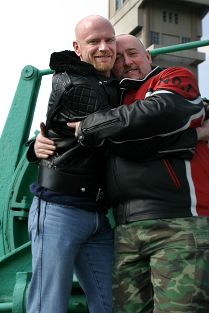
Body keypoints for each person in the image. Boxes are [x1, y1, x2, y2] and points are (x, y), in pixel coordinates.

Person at [33, 33, 209, 313]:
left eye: (134, 54)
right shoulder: (113, 99)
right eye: (119, 58)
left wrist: (90, 128)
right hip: (126, 229)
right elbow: (73, 132)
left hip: (181, 225)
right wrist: (36, 146)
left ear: (148, 56)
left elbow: (158, 114)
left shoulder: (174, 77)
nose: (127, 62)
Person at [26, 15, 119, 313]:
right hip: (59, 210)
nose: (104, 47)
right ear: (78, 48)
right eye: (94, 42)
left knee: (110, 303)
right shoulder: (80, 85)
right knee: (48, 304)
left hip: (96, 215)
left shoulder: (106, 82)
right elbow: (114, 128)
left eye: (110, 40)